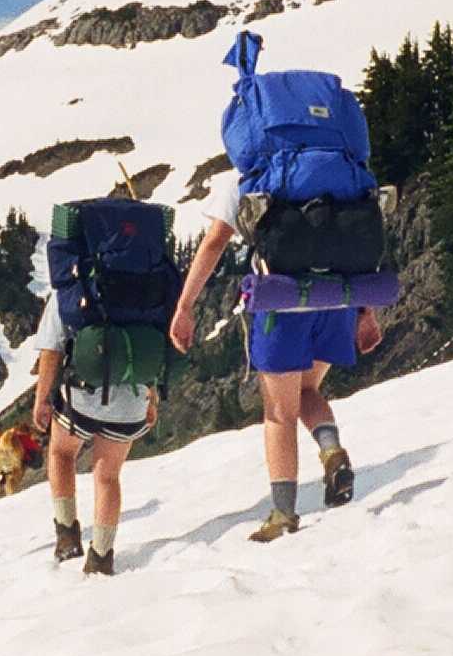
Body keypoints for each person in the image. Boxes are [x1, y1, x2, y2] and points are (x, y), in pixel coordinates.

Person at [172, 173, 381, 542]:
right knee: (304, 393)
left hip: (282, 302)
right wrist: (366, 312)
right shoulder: (336, 166)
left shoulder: (254, 176)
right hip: (337, 301)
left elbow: (215, 241)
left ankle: (284, 512)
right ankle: (332, 452)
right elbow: (361, 238)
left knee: (279, 412)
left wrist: (186, 305)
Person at [31, 289, 157, 575]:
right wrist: (152, 396)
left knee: (62, 454)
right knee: (108, 476)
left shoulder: (74, 284)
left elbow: (51, 349)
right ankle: (101, 557)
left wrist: (42, 398)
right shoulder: (146, 279)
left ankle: (67, 538)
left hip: (81, 397)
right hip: (132, 400)